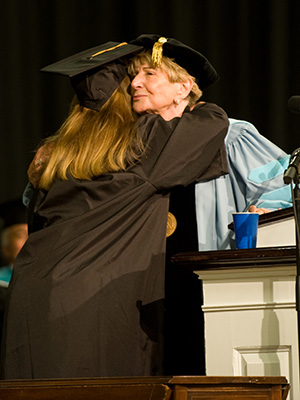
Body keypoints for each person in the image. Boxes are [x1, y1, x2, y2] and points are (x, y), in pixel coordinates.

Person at [1, 40, 229, 379]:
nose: (137, 85)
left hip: (32, 290)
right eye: (132, 80)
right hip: (94, 299)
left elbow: (35, 220)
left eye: (147, 75)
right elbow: (212, 121)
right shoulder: (146, 140)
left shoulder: (55, 155)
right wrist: (180, 104)